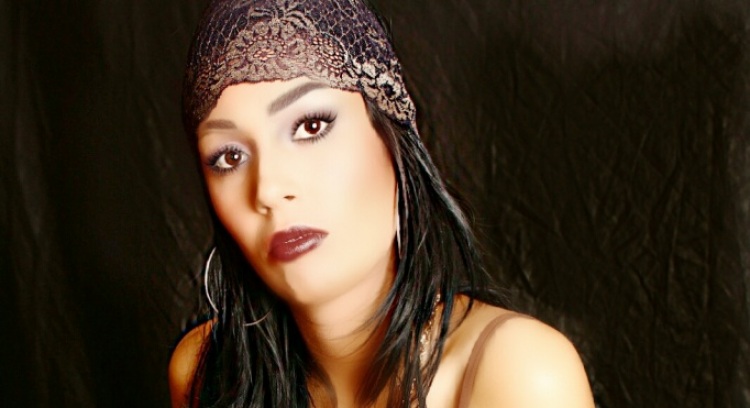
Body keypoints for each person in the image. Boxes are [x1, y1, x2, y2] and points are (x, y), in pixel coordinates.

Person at [169, 0, 595, 406]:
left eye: (311, 126)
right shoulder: (204, 372)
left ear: (392, 141)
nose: (267, 189)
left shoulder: (518, 373)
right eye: (229, 157)